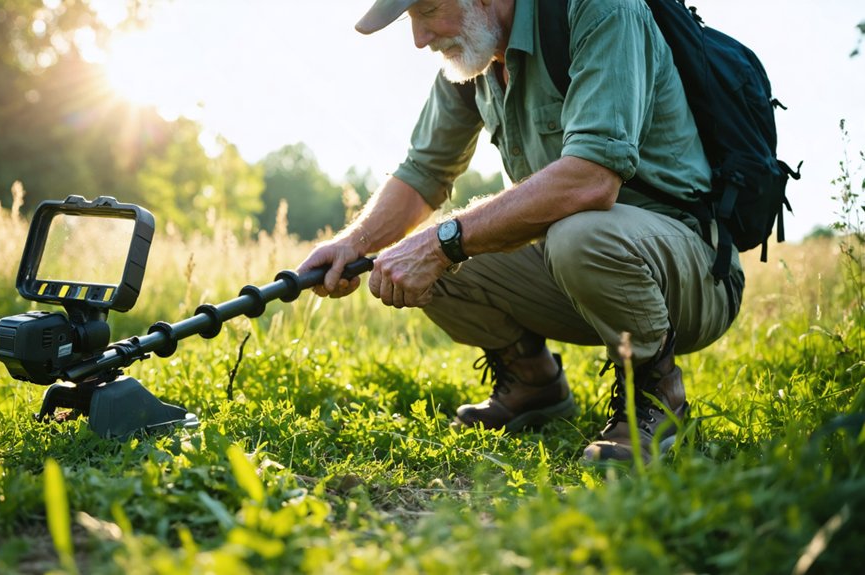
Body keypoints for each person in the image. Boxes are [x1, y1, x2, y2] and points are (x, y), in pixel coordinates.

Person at [297, 0, 744, 462]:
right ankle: (534, 384)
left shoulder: (600, 9)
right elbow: (423, 172)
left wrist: (441, 244)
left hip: (692, 273)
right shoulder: (474, 57)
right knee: (427, 255)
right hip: (576, 265)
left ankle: (657, 396)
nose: (419, 39)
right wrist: (352, 243)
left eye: (428, 10)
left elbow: (592, 179)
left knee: (561, 236)